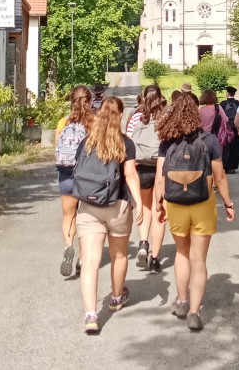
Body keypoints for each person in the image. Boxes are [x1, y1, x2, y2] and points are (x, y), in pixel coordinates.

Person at [155, 94, 235, 331]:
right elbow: (219, 177)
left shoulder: (167, 141)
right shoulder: (209, 141)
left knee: (181, 253)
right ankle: (194, 312)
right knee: (199, 260)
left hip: (176, 204)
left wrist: (159, 205)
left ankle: (181, 301)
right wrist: (229, 204)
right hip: (203, 203)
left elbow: (161, 179)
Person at [74, 96, 144, 334]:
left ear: (99, 114)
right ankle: (116, 297)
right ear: (121, 116)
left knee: (90, 261)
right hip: (118, 206)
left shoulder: (85, 143)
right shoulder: (126, 143)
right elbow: (131, 175)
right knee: (120, 255)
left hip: (89, 207)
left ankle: (91, 315)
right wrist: (140, 204)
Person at [125, 84, 167, 274]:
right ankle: (156, 258)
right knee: (160, 212)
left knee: (144, 207)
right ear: (160, 97)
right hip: (160, 168)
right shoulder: (166, 116)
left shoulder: (135, 117)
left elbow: (128, 142)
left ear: (143, 97)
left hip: (140, 167)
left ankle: (143, 243)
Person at [55, 85, 94, 278]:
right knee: (85, 218)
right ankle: (81, 259)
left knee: (68, 216)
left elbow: (57, 149)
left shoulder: (63, 123)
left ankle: (68, 246)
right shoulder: (94, 123)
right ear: (90, 101)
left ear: (71, 101)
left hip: (65, 175)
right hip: (87, 176)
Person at [220, 86, 239, 174]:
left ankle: (225, 166)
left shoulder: (223, 104)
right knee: (236, 146)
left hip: (226, 128)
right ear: (234, 93)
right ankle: (233, 167)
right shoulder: (238, 104)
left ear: (227, 93)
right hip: (237, 128)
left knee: (226, 147)